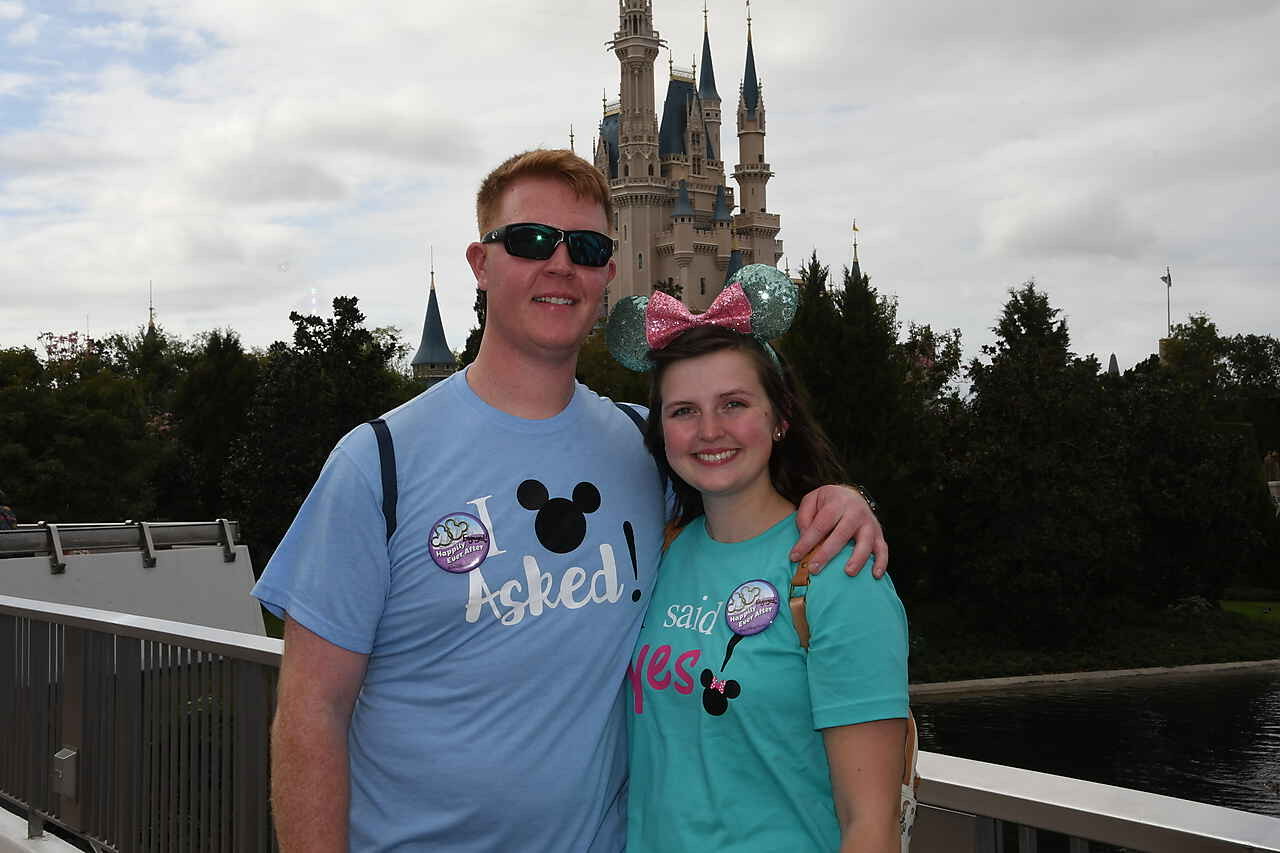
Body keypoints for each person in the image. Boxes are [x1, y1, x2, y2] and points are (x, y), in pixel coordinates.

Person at [253, 149, 888, 852]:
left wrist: (840, 497)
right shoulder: (379, 465)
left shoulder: (644, 447)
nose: (560, 264)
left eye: (585, 247)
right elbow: (311, 711)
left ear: (609, 274)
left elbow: (746, 486)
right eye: (529, 240)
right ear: (480, 261)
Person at [609, 266, 910, 852]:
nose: (710, 430)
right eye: (683, 411)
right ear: (661, 430)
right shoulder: (661, 554)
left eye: (735, 403)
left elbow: (869, 825)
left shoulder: (836, 572)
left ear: (780, 418)